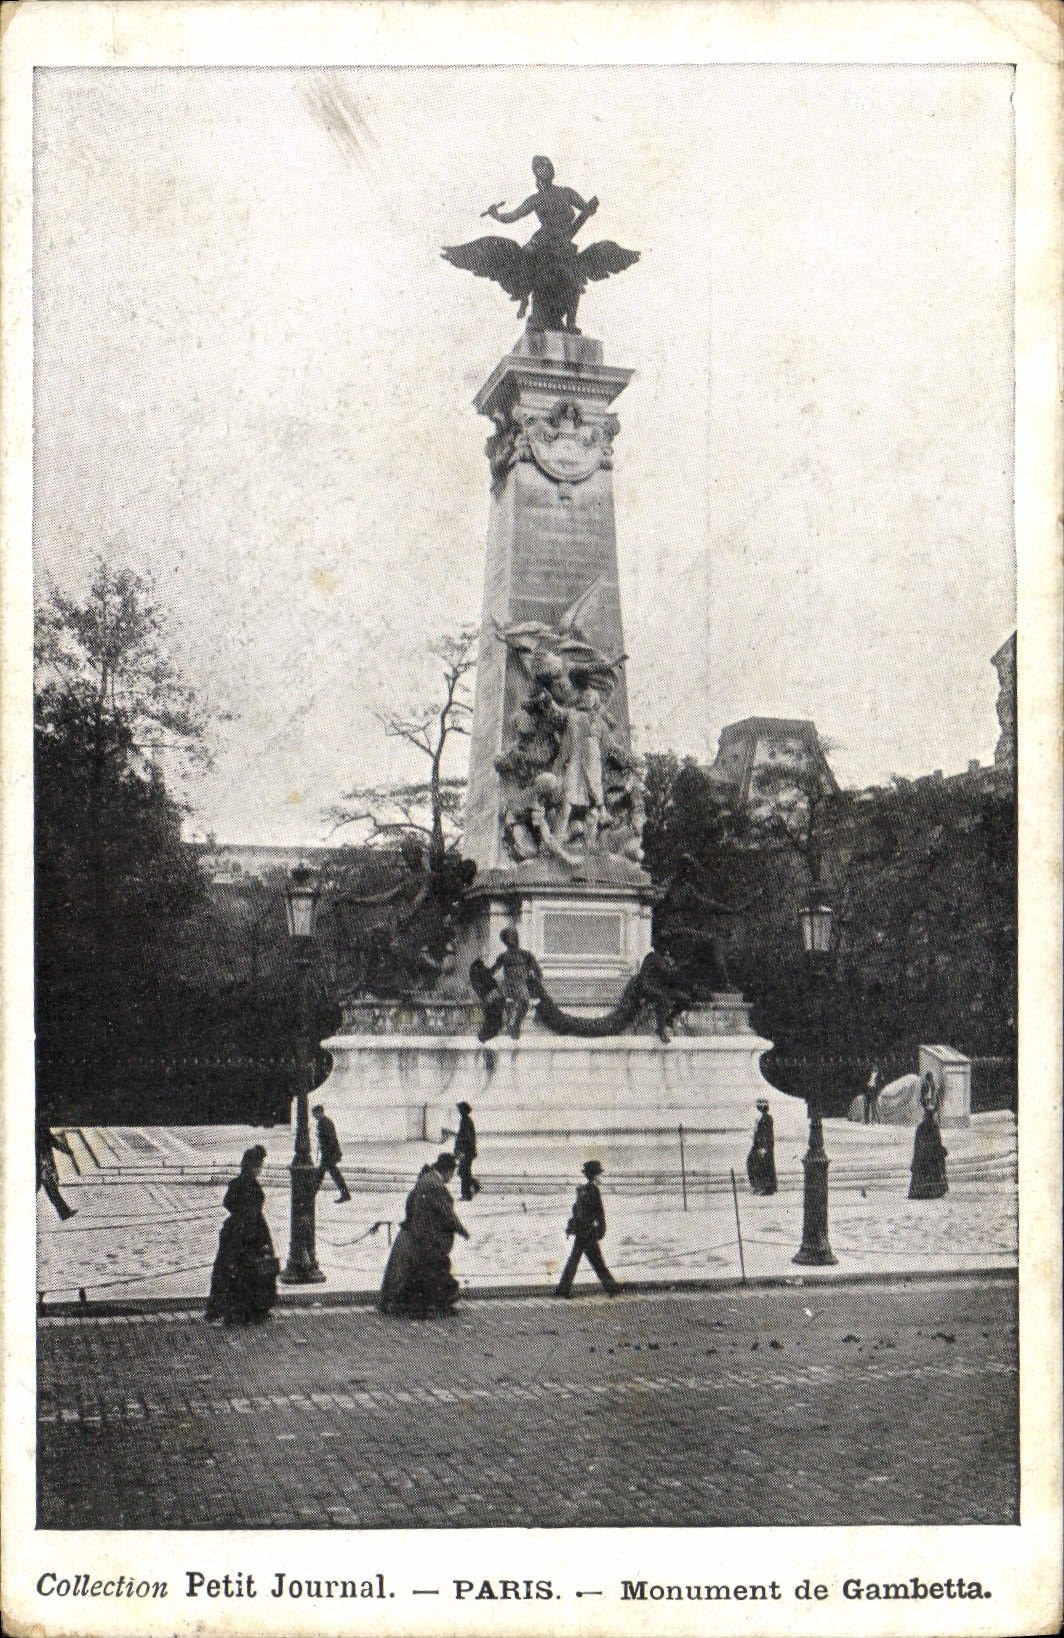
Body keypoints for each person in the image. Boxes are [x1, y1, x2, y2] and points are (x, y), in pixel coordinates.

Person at [380, 1154, 469, 1316]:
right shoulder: (436, 1186)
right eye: (452, 1173)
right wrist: (462, 1230)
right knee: (435, 1271)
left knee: (420, 1272)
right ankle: (434, 1306)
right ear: (448, 1171)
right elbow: (447, 1214)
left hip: (417, 1235)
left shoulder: (424, 1181)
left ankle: (421, 1305)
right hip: (428, 1238)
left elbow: (410, 1206)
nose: (451, 1177)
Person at [205, 1146, 278, 1325]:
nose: (260, 1169)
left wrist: (239, 1215)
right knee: (252, 1271)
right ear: (253, 1166)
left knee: (230, 1270)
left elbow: (227, 1203)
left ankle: (226, 1309)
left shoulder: (236, 1183)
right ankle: (251, 1310)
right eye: (259, 1165)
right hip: (251, 1232)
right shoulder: (252, 1185)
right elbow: (254, 1211)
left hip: (234, 1231)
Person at [555, 1160, 620, 1298]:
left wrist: (572, 1227)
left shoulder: (581, 1191)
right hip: (589, 1233)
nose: (599, 1177)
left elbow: (576, 1211)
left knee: (574, 1262)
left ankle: (563, 1289)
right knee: (597, 1263)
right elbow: (599, 1212)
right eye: (598, 1175)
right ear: (595, 1175)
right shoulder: (594, 1191)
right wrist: (601, 1230)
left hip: (581, 1232)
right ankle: (612, 1288)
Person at [490, 926, 544, 1039]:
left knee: (523, 1001)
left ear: (517, 939)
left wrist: (536, 983)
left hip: (521, 986)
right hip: (508, 985)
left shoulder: (526, 955)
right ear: (505, 942)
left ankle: (515, 1023)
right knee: (500, 1000)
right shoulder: (504, 956)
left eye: (513, 937)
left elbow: (538, 971)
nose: (512, 941)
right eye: (508, 939)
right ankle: (509, 1023)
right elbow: (493, 970)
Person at [909, 1093, 949, 1200]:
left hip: (922, 1158)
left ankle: (921, 1191)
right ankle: (933, 1191)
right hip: (931, 1158)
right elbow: (937, 1143)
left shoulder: (921, 1127)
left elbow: (918, 1146)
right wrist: (941, 1151)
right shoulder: (934, 1127)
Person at [36, 1120, 77, 1220]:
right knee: (49, 1188)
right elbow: (53, 1141)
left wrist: (66, 1150)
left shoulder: (40, 1126)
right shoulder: (41, 1127)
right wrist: (66, 1150)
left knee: (51, 1189)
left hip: (42, 1164)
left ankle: (64, 1212)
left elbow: (52, 1141)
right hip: (42, 1163)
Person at [312, 1104, 351, 1202]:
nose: (314, 1117)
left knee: (321, 1175)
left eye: (315, 1114)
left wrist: (328, 1153)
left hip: (329, 1154)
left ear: (319, 1113)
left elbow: (330, 1138)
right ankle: (345, 1194)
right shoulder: (325, 1121)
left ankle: (311, 1195)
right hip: (329, 1153)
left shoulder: (324, 1123)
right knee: (332, 1174)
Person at [746, 1099, 777, 1195]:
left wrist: (764, 1148)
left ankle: (764, 1188)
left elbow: (767, 1134)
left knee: (760, 1166)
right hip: (759, 1146)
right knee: (756, 1164)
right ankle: (760, 1186)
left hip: (763, 1146)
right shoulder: (762, 1118)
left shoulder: (766, 1119)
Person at [453, 1102, 480, 1201]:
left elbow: (466, 1138)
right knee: (463, 1172)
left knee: (464, 1173)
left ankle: (467, 1194)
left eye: (460, 1109)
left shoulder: (466, 1121)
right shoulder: (466, 1120)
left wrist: (461, 1150)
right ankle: (474, 1186)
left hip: (467, 1151)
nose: (459, 1111)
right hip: (468, 1151)